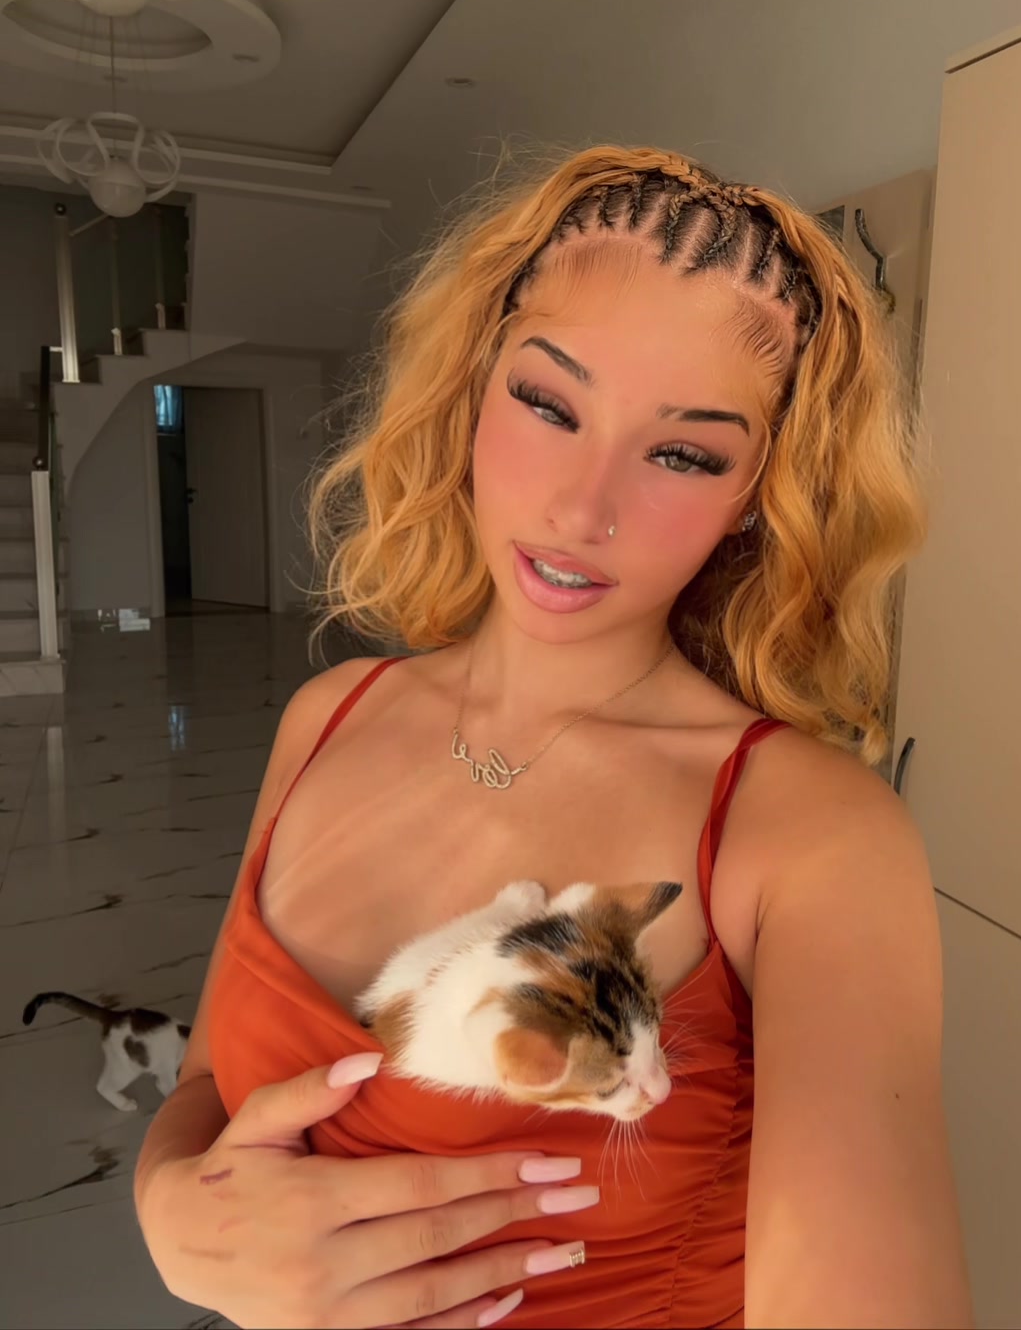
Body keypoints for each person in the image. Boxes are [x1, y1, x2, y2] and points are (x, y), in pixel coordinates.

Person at [134, 146, 973, 1329]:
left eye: (683, 453)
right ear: (473, 389)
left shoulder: (815, 836)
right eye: (548, 404)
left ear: (756, 492)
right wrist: (168, 1203)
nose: (583, 508)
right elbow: (213, 1083)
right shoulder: (329, 716)